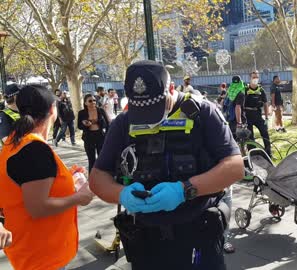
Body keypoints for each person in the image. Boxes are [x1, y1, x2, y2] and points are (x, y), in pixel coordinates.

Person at [89, 60, 243, 269]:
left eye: (156, 106)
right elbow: (97, 178)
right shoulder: (124, 122)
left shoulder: (204, 113)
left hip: (199, 234)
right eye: (141, 109)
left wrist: (185, 190)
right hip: (148, 241)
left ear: (172, 88)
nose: (149, 118)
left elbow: (234, 166)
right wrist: (122, 194)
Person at [0, 84, 94, 269]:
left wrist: (67, 178)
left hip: (31, 249)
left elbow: (29, 183)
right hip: (43, 254)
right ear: (52, 109)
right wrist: (79, 197)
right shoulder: (34, 150)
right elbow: (38, 207)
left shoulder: (17, 141)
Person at [77, 94, 109, 173]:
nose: (93, 102)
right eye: (90, 101)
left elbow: (107, 124)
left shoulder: (100, 110)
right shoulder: (81, 113)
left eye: (94, 100)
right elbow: (79, 126)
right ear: (85, 103)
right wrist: (85, 125)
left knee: (101, 158)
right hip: (88, 137)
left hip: (100, 136)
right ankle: (92, 177)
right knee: (91, 159)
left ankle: (102, 176)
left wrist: (97, 121)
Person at [245, 71, 272, 157]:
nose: (255, 79)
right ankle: (252, 155)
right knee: (250, 136)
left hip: (257, 114)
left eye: (256, 77)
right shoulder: (245, 89)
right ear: (250, 78)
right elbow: (239, 105)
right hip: (247, 115)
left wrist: (267, 117)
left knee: (265, 132)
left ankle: (268, 153)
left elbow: (265, 104)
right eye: (253, 77)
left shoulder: (261, 90)